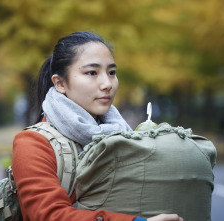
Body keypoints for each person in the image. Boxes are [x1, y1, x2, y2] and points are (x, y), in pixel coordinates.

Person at [12, 32, 183, 221]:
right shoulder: (34, 143)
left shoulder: (124, 135)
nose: (107, 84)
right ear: (60, 83)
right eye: (92, 73)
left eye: (112, 72)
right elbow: (49, 216)